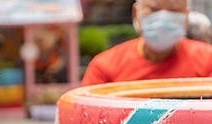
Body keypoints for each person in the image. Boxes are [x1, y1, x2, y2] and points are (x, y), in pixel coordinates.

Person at [81, 0, 212, 86]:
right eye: (153, 9)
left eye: (174, 10)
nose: (163, 19)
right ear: (135, 13)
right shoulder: (104, 67)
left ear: (186, 17)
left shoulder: (208, 61)